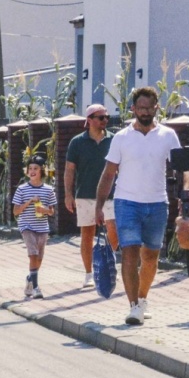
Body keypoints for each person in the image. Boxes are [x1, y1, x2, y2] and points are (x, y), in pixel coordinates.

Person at [96, 86, 183, 326]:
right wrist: (99, 207)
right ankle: (133, 306)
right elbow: (108, 174)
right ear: (133, 109)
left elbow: (181, 167)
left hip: (157, 204)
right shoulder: (121, 138)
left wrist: (184, 196)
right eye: (140, 108)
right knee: (130, 254)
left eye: (149, 108)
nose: (145, 112)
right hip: (127, 204)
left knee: (151, 257)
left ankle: (143, 298)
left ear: (156, 108)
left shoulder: (168, 135)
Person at [63, 103, 118, 288]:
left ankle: (107, 263)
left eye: (106, 117)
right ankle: (88, 273)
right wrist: (68, 195)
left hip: (110, 194)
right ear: (89, 120)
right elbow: (69, 170)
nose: (105, 120)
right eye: (100, 117)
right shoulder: (77, 142)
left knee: (114, 230)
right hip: (85, 193)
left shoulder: (114, 139)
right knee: (87, 234)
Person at [13, 155, 58, 299]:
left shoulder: (48, 190)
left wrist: (44, 210)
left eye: (36, 168)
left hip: (42, 227)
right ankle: (36, 287)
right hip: (27, 226)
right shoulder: (22, 189)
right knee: (32, 254)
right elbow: (16, 211)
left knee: (39, 258)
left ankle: (30, 279)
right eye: (30, 168)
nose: (32, 171)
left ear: (42, 171)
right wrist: (29, 202)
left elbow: (51, 212)